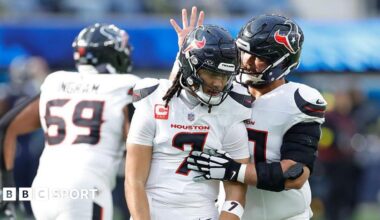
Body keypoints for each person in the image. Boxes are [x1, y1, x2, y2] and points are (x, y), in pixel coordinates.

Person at [187, 14, 327, 220]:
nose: (247, 61)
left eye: (258, 57)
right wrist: (186, 53)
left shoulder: (298, 101)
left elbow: (295, 174)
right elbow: (177, 97)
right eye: (244, 52)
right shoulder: (224, 90)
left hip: (285, 216)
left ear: (282, 62)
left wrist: (233, 170)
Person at [0, 23, 139, 220]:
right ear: (114, 55)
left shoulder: (56, 82)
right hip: (86, 189)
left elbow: (6, 127)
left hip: (44, 188)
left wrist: (6, 189)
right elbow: (140, 146)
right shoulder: (126, 86)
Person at [125, 24, 253, 220]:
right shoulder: (155, 100)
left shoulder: (231, 110)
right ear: (190, 66)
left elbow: (236, 189)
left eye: (225, 76)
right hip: (152, 213)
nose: (219, 83)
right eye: (212, 74)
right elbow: (134, 180)